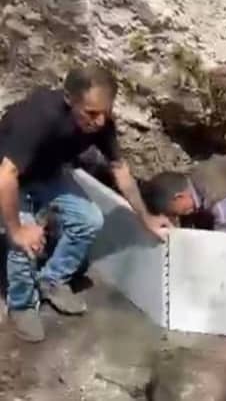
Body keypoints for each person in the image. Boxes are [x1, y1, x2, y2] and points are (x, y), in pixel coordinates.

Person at [0, 65, 173, 342]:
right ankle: (21, 305)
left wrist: (146, 218)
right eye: (91, 113)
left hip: (48, 172)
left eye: (106, 112)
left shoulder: (101, 122)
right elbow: (6, 176)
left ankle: (52, 280)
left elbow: (120, 169)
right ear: (69, 100)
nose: (99, 122)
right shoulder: (39, 117)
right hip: (8, 176)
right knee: (25, 243)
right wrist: (17, 230)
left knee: (89, 219)